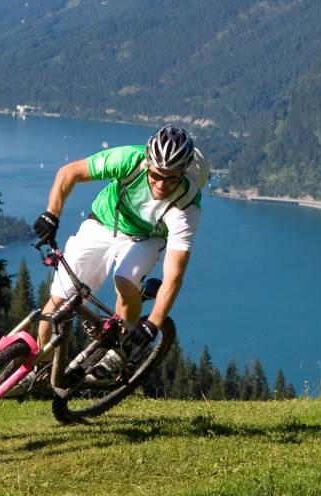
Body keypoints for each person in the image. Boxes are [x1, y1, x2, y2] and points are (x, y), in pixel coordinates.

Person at [27, 124, 209, 382]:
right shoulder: (129, 160)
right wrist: (51, 214)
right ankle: (41, 370)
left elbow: (174, 275)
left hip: (147, 237)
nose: (161, 184)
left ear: (183, 172)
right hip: (103, 222)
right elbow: (69, 173)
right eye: (156, 175)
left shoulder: (186, 207)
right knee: (58, 302)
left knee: (125, 279)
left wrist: (153, 324)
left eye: (171, 178)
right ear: (147, 164)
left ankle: (122, 346)